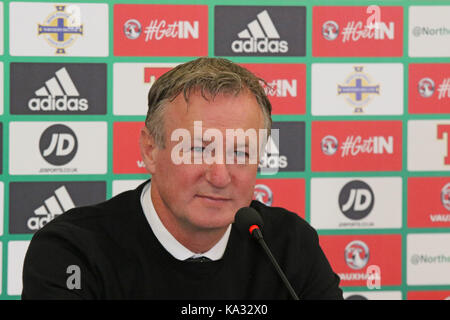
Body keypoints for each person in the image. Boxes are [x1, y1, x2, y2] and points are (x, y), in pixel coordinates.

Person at [22, 57, 343, 300]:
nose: (219, 176)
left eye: (240, 153)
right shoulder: (73, 251)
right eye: (198, 149)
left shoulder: (289, 245)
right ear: (150, 149)